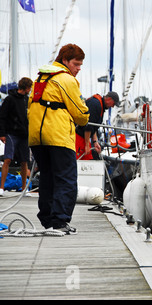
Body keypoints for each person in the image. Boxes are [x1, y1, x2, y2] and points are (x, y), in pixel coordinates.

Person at [28, 44, 90, 235]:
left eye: (80, 65)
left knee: (47, 178)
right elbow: (80, 113)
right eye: (76, 64)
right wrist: (85, 117)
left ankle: (48, 220)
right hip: (58, 137)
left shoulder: (40, 78)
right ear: (65, 61)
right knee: (66, 179)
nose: (78, 68)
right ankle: (60, 221)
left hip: (37, 138)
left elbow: (30, 107)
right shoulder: (66, 80)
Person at [0, 77, 33, 197]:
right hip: (11, 133)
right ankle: (1, 188)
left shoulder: (27, 100)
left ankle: (24, 188)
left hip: (24, 135)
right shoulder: (10, 99)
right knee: (7, 159)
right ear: (26, 87)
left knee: (24, 162)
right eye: (30, 87)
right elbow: (2, 116)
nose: (30, 90)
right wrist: (2, 133)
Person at [75, 91, 119, 160]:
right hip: (78, 138)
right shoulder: (95, 104)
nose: (113, 106)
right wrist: (87, 145)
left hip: (84, 138)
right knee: (80, 160)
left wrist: (95, 142)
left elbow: (93, 127)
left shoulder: (100, 105)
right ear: (109, 99)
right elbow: (88, 126)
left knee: (90, 158)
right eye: (113, 104)